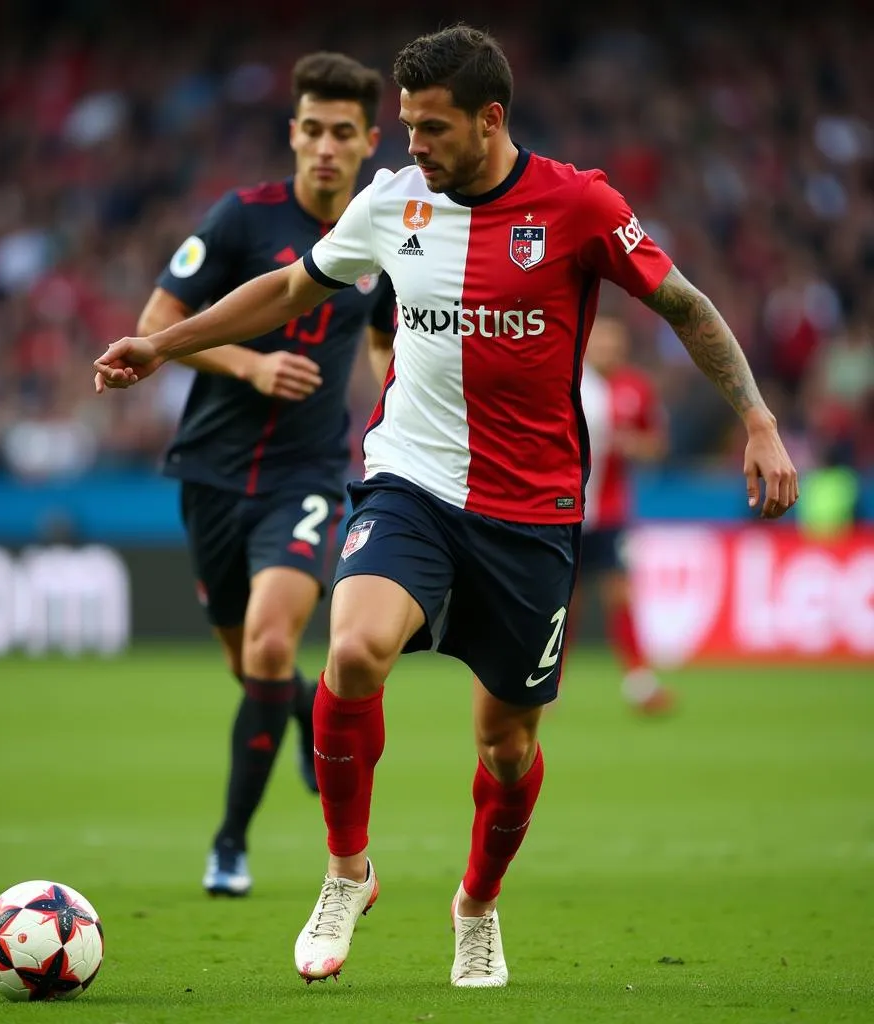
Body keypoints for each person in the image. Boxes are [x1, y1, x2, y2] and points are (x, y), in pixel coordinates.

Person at [93, 25, 799, 988]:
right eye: (407, 125)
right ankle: (348, 871)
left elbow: (686, 306)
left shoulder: (579, 205)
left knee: (505, 748)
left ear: (490, 119)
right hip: (411, 483)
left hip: (534, 513)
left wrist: (757, 418)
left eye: (430, 128)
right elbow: (290, 286)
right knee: (350, 649)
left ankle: (477, 904)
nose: (410, 145)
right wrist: (164, 348)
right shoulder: (392, 204)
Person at [135, 52, 395, 898]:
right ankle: (298, 722)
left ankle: (229, 845)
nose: (325, 147)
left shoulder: (383, 235)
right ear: (293, 133)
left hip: (309, 476)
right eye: (312, 130)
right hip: (211, 473)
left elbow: (394, 349)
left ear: (368, 141)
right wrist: (251, 368)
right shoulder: (242, 220)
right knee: (254, 668)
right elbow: (157, 322)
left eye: (342, 133)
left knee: (274, 642)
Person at [579, 315, 674, 713]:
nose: (607, 350)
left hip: (612, 510)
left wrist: (629, 444)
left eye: (614, 344)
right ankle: (550, 687)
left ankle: (639, 682)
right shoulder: (571, 383)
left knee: (619, 593)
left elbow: (656, 445)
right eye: (600, 343)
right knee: (567, 601)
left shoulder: (636, 388)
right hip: (565, 509)